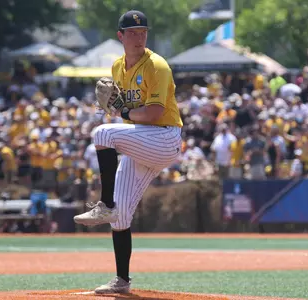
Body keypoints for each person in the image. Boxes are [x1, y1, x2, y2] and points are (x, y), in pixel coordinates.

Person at [73, 10, 183, 294]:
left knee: (103, 132)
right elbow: (130, 115)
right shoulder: (117, 67)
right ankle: (122, 280)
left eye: (143, 32)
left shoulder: (157, 65)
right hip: (142, 143)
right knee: (121, 218)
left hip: (164, 137)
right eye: (133, 33)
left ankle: (104, 204)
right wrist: (121, 111)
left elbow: (155, 112)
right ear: (120, 36)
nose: (139, 37)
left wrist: (121, 110)